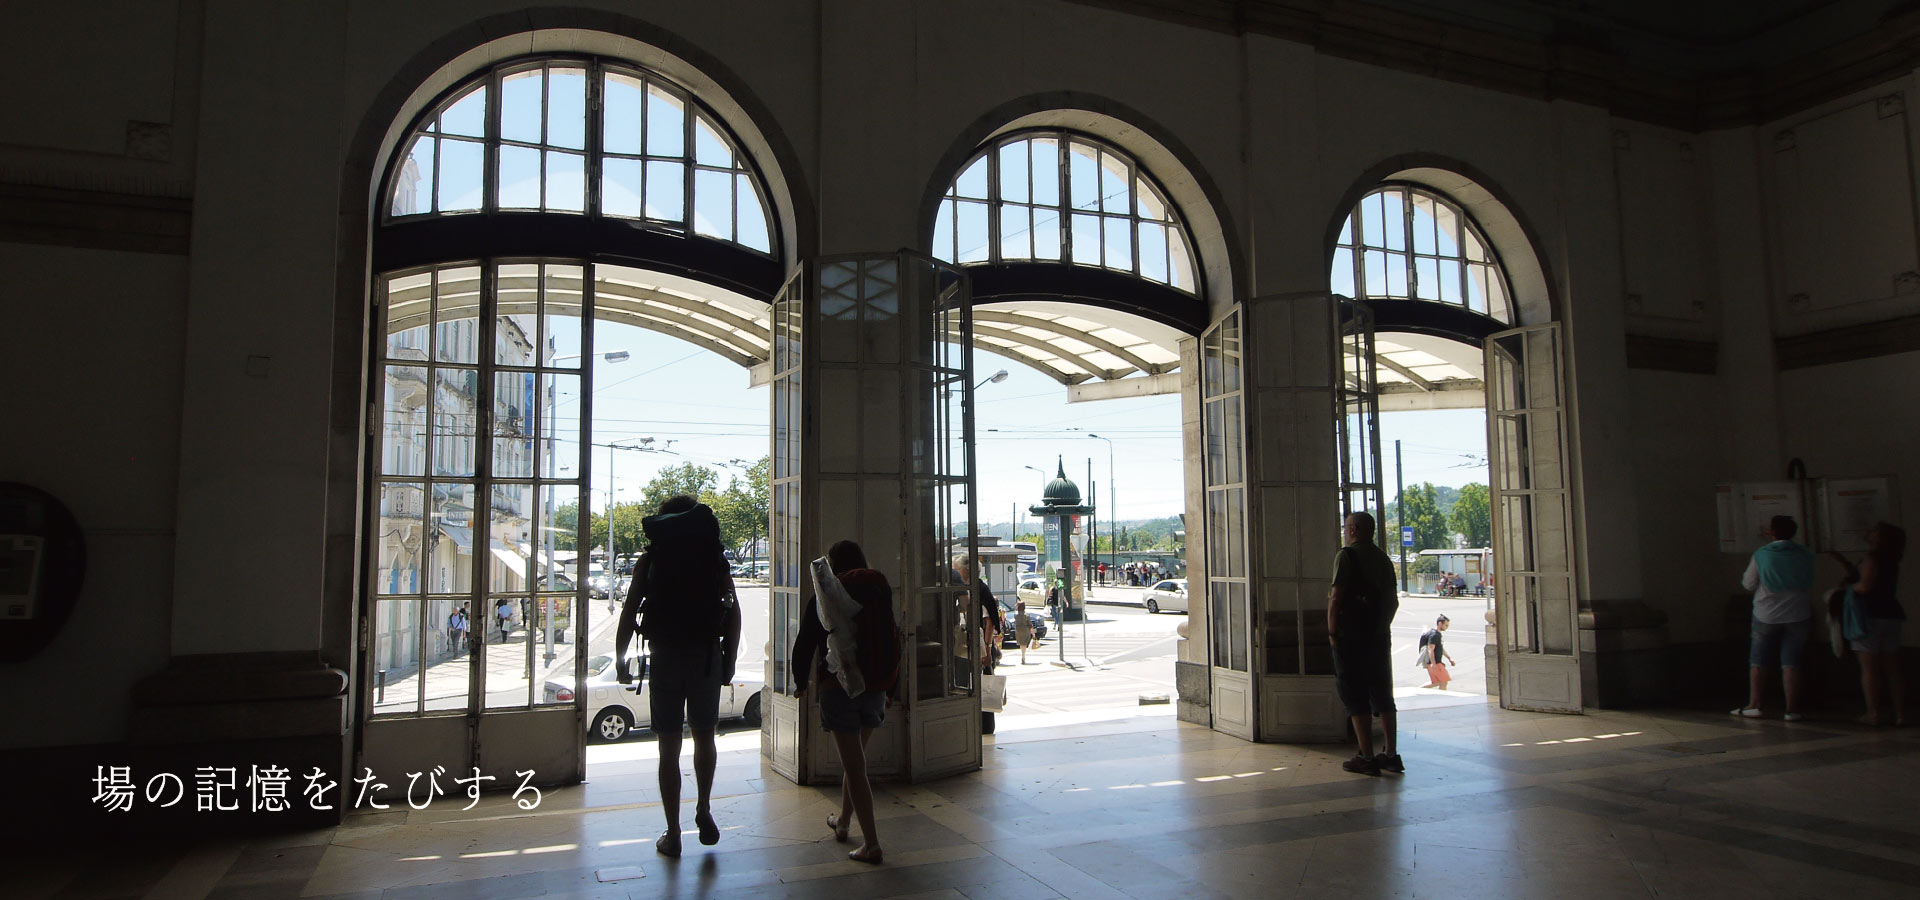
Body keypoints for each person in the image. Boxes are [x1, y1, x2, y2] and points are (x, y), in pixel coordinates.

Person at [613, 495, 741, 857]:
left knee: (668, 747)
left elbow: (629, 610)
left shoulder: (652, 558)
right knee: (705, 738)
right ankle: (704, 807)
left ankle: (673, 833)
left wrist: (623, 658)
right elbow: (732, 611)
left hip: (666, 655)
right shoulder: (712, 557)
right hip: (705, 656)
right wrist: (728, 660)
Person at [790, 540, 899, 864]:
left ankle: (872, 844)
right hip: (877, 686)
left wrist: (799, 682)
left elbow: (806, 640)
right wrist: (892, 688)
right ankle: (843, 821)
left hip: (838, 686)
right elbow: (893, 635)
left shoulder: (826, 596)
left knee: (855, 766)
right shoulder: (878, 590)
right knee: (857, 763)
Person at [1327, 511, 1401, 775]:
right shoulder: (1383, 558)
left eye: (1346, 527)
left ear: (1355, 529)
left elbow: (1336, 598)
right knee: (1382, 693)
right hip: (1378, 636)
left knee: (1354, 692)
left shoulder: (1346, 556)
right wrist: (1381, 626)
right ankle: (1391, 754)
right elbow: (1393, 601)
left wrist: (1333, 632)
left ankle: (1367, 756)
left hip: (1351, 637)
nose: (1345, 531)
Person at [1732, 515, 1816, 721]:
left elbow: (1749, 583)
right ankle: (1791, 709)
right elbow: (1809, 580)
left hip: (1766, 614)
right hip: (1798, 613)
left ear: (1771, 532)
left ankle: (1755, 705)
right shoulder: (1805, 554)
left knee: (1758, 660)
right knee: (1791, 662)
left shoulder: (1762, 555)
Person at [1831, 521, 1907, 726]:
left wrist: (1847, 589)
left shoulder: (1872, 558)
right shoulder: (1893, 558)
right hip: (1891, 613)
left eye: (1875, 530)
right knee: (1893, 668)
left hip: (1868, 615)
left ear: (1880, 537)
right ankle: (1900, 714)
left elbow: (1864, 585)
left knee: (1869, 668)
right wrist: (1845, 564)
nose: (1870, 531)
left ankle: (1873, 712)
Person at [951, 554, 1002, 733]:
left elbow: (989, 621)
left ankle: (984, 725)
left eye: (956, 570)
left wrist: (986, 651)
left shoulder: (978, 590)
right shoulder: (974, 589)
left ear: (966, 570)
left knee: (982, 686)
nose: (954, 573)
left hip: (982, 647)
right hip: (978, 646)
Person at [1418, 615, 1455, 689]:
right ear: (1440, 623)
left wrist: (1449, 658)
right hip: (1435, 663)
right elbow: (1430, 649)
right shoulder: (1435, 635)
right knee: (1443, 681)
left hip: (1434, 662)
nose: (1447, 627)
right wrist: (1433, 663)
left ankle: (1419, 689)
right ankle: (1442, 699)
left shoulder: (1434, 633)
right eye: (1446, 625)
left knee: (1437, 682)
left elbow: (1440, 648)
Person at [1015, 599, 1035, 664]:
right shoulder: (1026, 614)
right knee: (1024, 644)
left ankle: (1022, 655)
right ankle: (1023, 656)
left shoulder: (1015, 614)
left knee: (1021, 643)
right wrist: (1033, 633)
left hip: (1018, 630)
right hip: (1025, 629)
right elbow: (1030, 624)